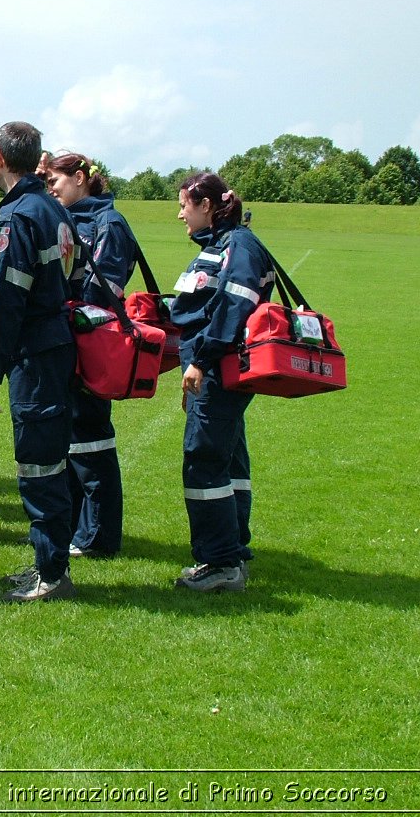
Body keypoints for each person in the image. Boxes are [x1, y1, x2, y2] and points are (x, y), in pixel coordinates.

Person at [0, 122, 78, 603]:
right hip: (56, 347)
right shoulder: (55, 208)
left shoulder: (17, 216)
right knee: (50, 460)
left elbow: (2, 299)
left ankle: (52, 574)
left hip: (34, 356)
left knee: (39, 465)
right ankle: (49, 564)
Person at [169, 171, 274, 592]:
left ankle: (220, 563)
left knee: (205, 457)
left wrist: (202, 362)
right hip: (211, 368)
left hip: (219, 369)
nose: (180, 215)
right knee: (228, 458)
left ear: (206, 205)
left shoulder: (240, 246)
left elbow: (234, 307)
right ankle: (233, 550)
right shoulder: (221, 245)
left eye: (184, 205)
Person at [43, 150, 137, 558]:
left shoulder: (108, 223)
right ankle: (78, 529)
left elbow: (105, 289)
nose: (50, 188)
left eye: (55, 181)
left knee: (91, 438)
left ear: (80, 177)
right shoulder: (67, 218)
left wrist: (62, 302)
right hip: (65, 340)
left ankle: (98, 536)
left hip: (92, 343)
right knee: (70, 439)